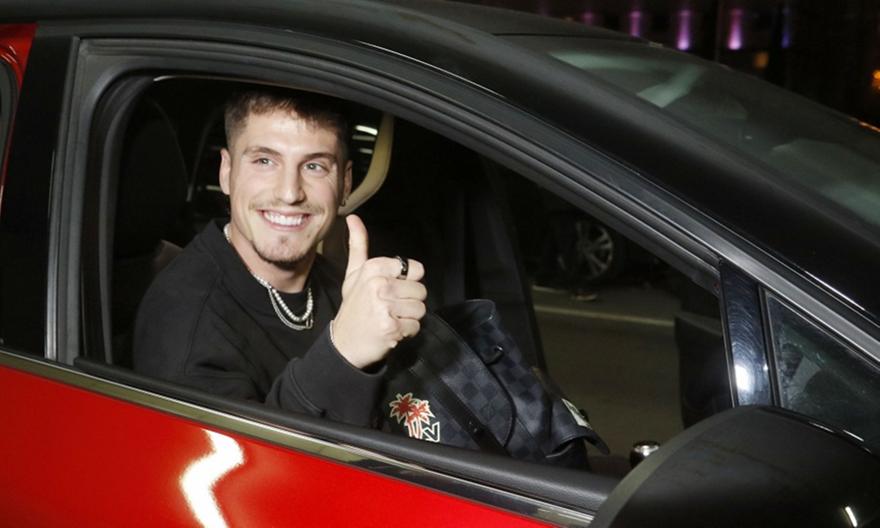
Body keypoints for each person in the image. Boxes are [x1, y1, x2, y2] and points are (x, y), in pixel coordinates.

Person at [132, 89, 427, 427]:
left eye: (314, 166)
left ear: (345, 183)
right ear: (226, 172)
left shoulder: (336, 282)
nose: (289, 192)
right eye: (264, 161)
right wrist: (343, 354)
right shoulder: (185, 324)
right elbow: (248, 457)